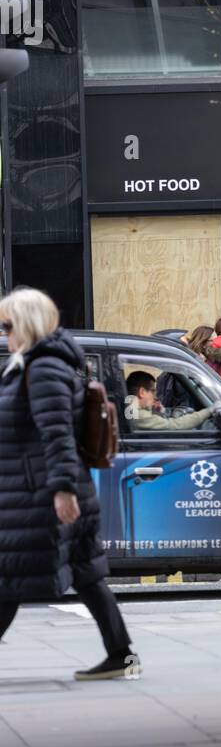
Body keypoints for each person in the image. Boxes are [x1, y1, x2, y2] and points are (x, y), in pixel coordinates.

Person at [0, 286, 139, 681]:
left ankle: (122, 656)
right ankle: (121, 655)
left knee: (9, 575)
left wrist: (62, 490)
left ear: (26, 325)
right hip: (51, 488)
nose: (4, 333)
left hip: (41, 493)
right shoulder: (40, 365)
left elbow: (57, 433)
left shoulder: (42, 369)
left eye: (7, 325)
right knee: (87, 574)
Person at [124, 371, 214, 432]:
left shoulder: (129, 409)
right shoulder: (139, 415)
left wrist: (158, 412)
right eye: (152, 391)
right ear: (142, 392)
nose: (155, 396)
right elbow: (176, 425)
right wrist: (208, 411)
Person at [156, 324, 214, 413]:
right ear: (204, 343)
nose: (216, 343)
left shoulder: (192, 361)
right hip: (187, 413)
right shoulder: (190, 364)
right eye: (213, 340)